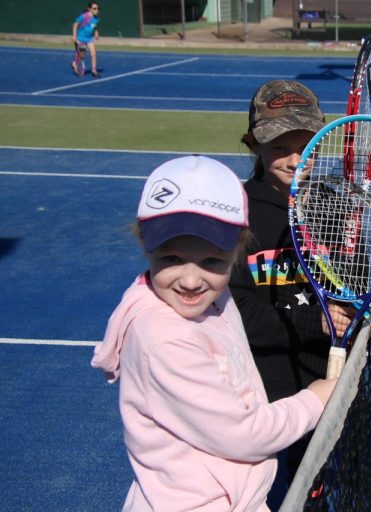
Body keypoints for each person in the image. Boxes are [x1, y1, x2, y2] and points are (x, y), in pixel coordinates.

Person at [91, 155, 336, 511]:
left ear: (238, 250)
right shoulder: (165, 341)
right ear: (145, 244)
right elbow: (245, 435)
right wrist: (314, 400)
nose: (191, 282)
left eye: (211, 262)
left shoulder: (216, 296)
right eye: (171, 259)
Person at [228, 80, 354, 497]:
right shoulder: (237, 214)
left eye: (307, 144)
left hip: (323, 377)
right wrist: (309, 321)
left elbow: (353, 281)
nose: (296, 158)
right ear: (254, 144)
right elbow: (238, 312)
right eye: (281, 145)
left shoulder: (333, 206)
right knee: (252, 490)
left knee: (314, 489)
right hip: (260, 388)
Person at [72, 2, 101, 77]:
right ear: (89, 9)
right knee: (82, 55)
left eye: (98, 8)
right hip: (81, 38)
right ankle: (74, 63)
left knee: (93, 53)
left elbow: (94, 27)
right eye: (94, 8)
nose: (96, 10)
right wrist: (74, 36)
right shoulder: (83, 16)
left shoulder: (97, 19)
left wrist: (96, 33)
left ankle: (94, 70)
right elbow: (75, 25)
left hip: (89, 38)